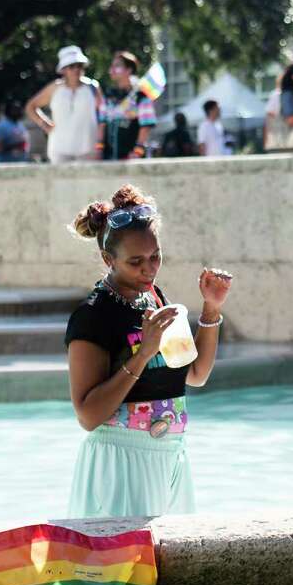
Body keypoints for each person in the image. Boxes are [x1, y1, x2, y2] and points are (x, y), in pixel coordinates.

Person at [65, 183, 234, 517]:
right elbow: (87, 415)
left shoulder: (154, 296)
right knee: (123, 569)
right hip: (121, 460)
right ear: (107, 259)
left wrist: (211, 309)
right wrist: (143, 353)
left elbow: (196, 375)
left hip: (171, 454)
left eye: (156, 256)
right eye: (136, 261)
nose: (149, 268)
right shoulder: (93, 315)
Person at [26, 45, 103, 163]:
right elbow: (31, 107)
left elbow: (102, 118)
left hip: (88, 150)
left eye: (79, 65)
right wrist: (44, 123)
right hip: (59, 150)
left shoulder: (93, 87)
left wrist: (100, 146)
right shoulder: (54, 88)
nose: (77, 69)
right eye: (72, 66)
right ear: (63, 69)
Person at [101, 51, 156, 160]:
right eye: (111, 66)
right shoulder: (109, 96)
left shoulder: (141, 96)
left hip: (132, 159)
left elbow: (146, 127)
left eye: (117, 66)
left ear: (129, 70)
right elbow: (102, 123)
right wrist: (99, 148)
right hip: (109, 158)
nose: (111, 70)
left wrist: (138, 151)